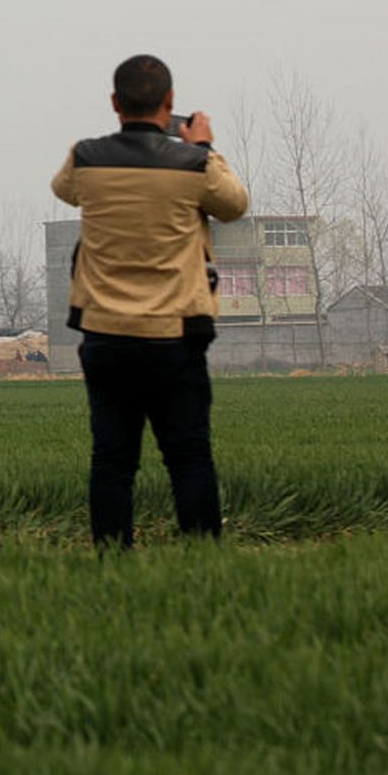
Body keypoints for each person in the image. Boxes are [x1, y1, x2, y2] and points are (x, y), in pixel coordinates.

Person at [51, 54, 249, 549]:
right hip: (175, 333)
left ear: (115, 103)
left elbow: (63, 191)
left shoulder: (86, 158)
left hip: (104, 331)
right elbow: (234, 205)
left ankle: (112, 560)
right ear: (171, 104)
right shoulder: (195, 164)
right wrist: (204, 146)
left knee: (113, 459)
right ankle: (202, 557)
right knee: (189, 456)